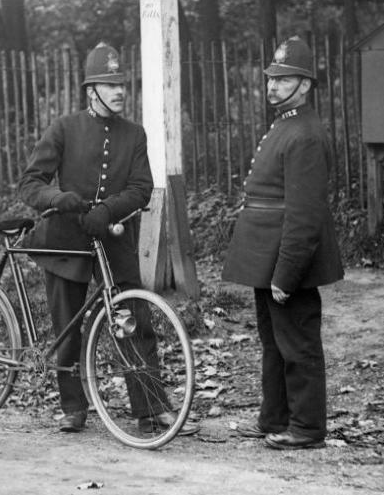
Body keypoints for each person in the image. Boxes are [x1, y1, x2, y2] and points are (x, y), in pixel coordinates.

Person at [18, 41, 198, 436]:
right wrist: (60, 199)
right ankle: (72, 408)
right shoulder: (64, 128)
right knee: (67, 326)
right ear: (90, 90)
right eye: (109, 84)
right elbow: (30, 184)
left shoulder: (134, 135)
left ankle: (150, 409)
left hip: (113, 240)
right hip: (64, 240)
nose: (119, 91)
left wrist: (107, 211)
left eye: (121, 84)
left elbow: (141, 187)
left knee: (135, 320)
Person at [223, 35, 344, 450]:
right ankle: (274, 417)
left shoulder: (306, 134)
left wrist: (287, 272)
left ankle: (307, 427)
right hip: (265, 255)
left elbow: (305, 215)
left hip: (286, 259)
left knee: (297, 342)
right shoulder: (287, 123)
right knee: (273, 342)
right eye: (271, 78)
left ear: (306, 85)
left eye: (284, 79)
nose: (272, 86)